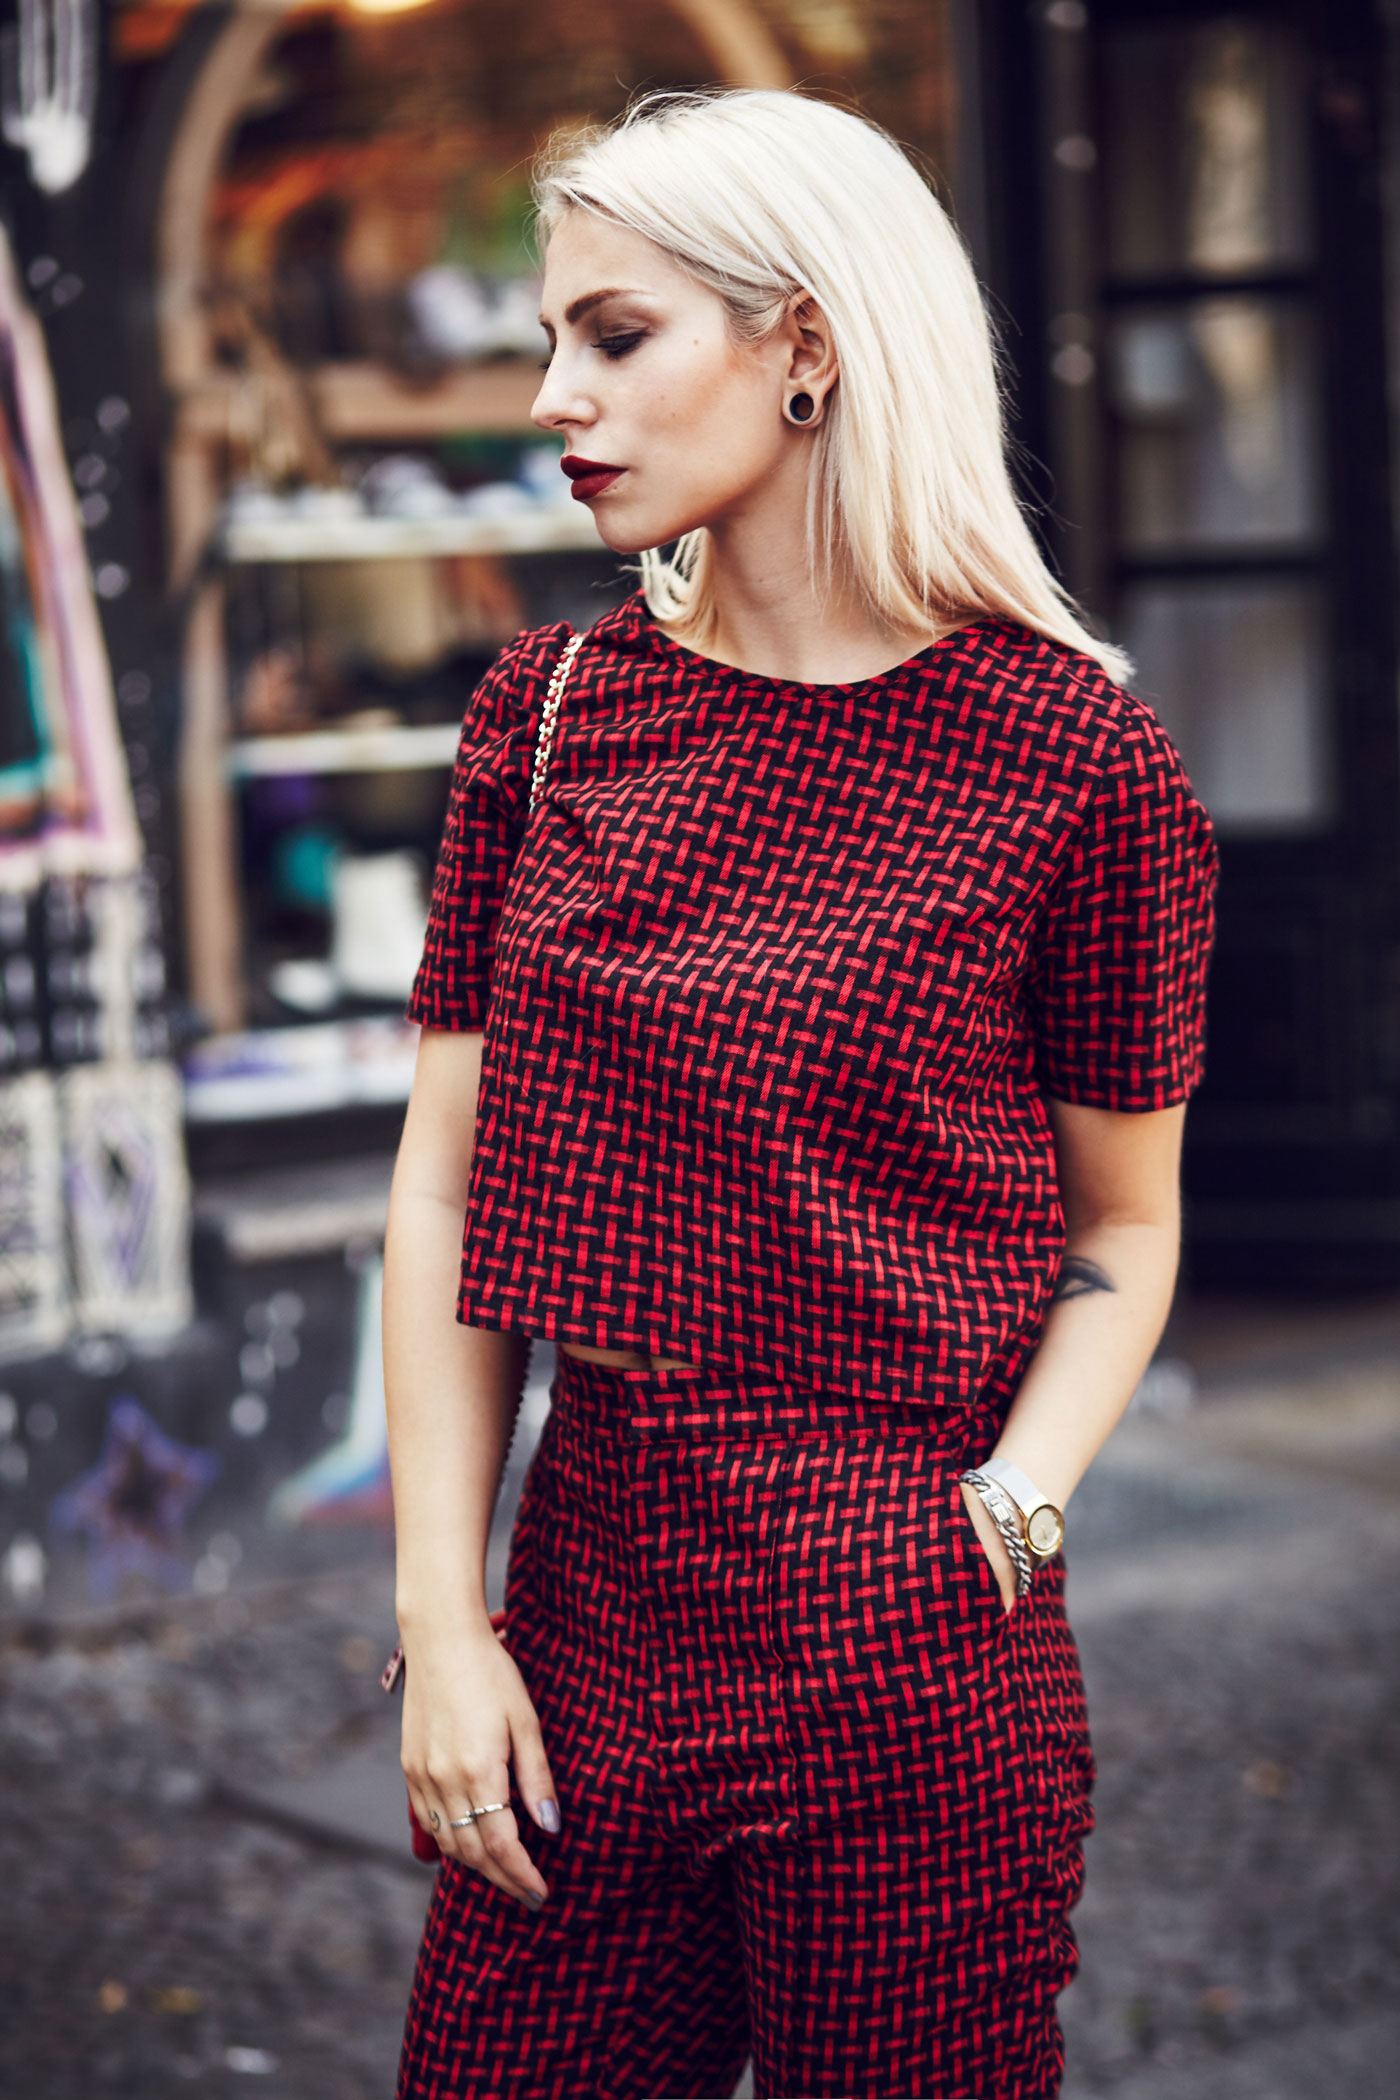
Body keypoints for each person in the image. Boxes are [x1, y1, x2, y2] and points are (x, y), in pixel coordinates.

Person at [385, 87, 1216, 2100]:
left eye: (612, 331)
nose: (550, 393)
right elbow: (439, 1195)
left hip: (905, 1641)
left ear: (807, 346)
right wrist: (444, 1618)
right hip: (582, 1606)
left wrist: (1002, 1519)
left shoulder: (1077, 768)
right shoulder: (550, 714)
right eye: (550, 337)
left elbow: (1125, 1219)